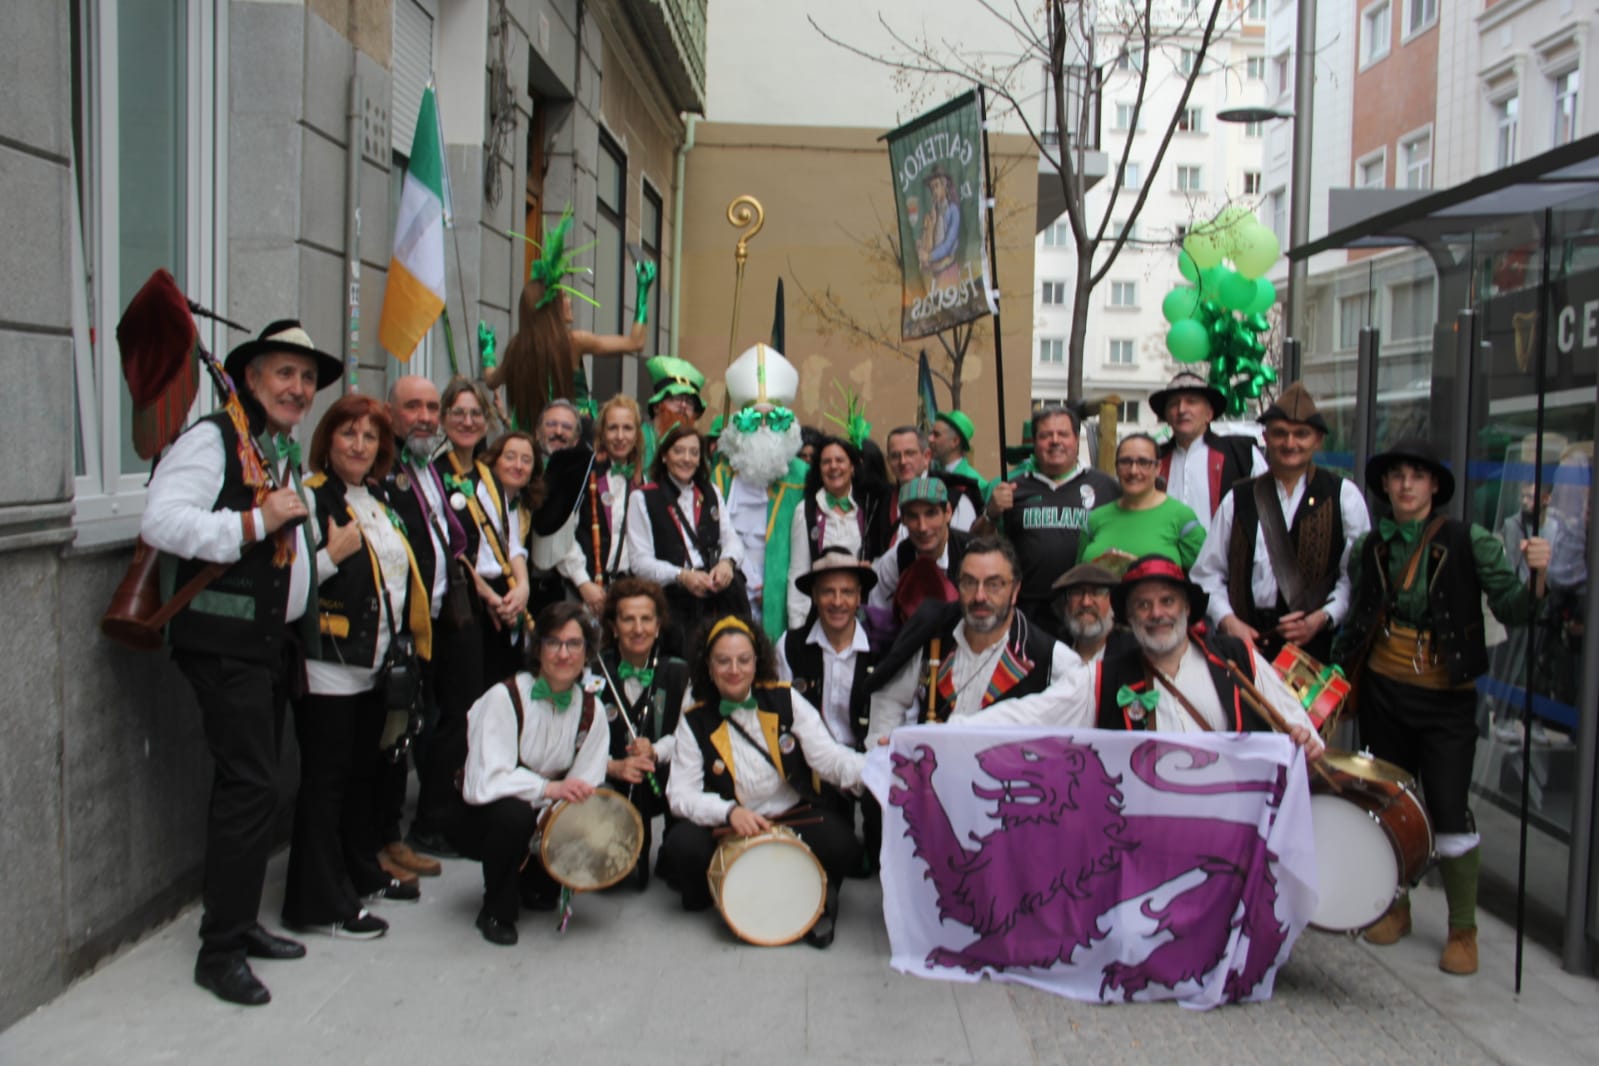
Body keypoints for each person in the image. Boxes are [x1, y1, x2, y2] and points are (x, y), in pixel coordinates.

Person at [140, 319, 341, 1005]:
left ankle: (239, 921)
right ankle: (219, 950)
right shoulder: (211, 439)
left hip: (266, 647)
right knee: (249, 788)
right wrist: (257, 521)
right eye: (285, 373)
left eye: (307, 377)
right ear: (250, 378)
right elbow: (162, 520)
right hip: (223, 647)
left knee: (255, 792)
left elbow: (281, 560)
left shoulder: (272, 451)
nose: (298, 387)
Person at [1332, 439, 1550, 976]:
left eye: (1418, 476)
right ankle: (1395, 906)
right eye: (1398, 476)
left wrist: (1538, 573)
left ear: (1434, 487)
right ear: (1385, 486)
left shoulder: (1469, 540)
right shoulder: (1370, 548)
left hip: (1446, 699)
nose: (1406, 485)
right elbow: (1359, 615)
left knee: (1450, 810)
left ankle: (1464, 929)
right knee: (1387, 802)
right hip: (1383, 691)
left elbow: (1518, 611)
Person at [285, 394, 433, 938]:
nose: (359, 445)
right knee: (326, 786)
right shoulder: (309, 495)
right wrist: (332, 554)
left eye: (369, 437)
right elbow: (292, 587)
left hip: (375, 666)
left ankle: (361, 873)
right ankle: (317, 901)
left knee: (362, 780)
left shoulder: (373, 497)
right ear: (328, 439)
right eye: (348, 434)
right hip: (330, 665)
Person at [977, 557, 1325, 762]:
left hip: (1236, 840)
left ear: (1187, 608)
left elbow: (1293, 722)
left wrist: (1307, 741)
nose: (1156, 613)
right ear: (1128, 617)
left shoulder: (1237, 659)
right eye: (1143, 605)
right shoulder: (1103, 678)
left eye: (1167, 602)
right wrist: (952, 731)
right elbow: (1031, 714)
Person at [659, 616, 867, 948]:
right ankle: (719, 891)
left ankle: (794, 889)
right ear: (708, 667)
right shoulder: (694, 718)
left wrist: (875, 769)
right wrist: (728, 813)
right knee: (683, 848)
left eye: (743, 660)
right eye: (723, 661)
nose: (734, 670)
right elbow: (681, 794)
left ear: (758, 662)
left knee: (844, 848)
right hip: (728, 823)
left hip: (787, 813)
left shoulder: (786, 700)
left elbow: (829, 758)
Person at [452, 601, 610, 946]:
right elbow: (487, 781)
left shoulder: (592, 709)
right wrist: (548, 789)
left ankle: (532, 878)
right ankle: (496, 909)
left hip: (543, 815)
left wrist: (564, 806)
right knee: (513, 815)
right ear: (537, 650)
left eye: (574, 644)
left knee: (587, 817)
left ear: (587, 653)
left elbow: (587, 782)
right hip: (482, 815)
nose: (563, 654)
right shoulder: (504, 697)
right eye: (553, 642)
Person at [1191, 383, 1370, 663]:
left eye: (1301, 434)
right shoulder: (1239, 497)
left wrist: (1324, 617)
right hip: (1245, 646)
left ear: (1318, 440)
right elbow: (1207, 574)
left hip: (1314, 650)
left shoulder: (1344, 496)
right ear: (1265, 437)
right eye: (1280, 433)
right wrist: (1229, 622)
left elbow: (1355, 576)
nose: (1290, 443)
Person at [383, 376, 476, 868]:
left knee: (446, 720)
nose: (424, 416)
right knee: (404, 728)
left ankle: (429, 821)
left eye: (429, 407)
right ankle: (396, 834)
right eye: (412, 406)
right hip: (403, 624)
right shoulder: (384, 468)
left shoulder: (427, 466)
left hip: (444, 614)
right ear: (390, 411)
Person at [866, 537, 1078, 741]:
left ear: (1015, 590)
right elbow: (889, 699)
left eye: (993, 584)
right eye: (969, 582)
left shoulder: (1052, 658)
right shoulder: (933, 635)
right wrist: (887, 754)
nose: (980, 596)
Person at [488, 206, 654, 428]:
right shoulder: (572, 342)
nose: (570, 301)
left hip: (530, 446)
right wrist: (642, 294)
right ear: (551, 309)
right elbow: (636, 343)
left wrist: (487, 352)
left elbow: (490, 380)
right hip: (569, 439)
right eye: (564, 297)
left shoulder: (516, 349)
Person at [777, 550, 883, 871]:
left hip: (866, 761)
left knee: (877, 856)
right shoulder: (789, 645)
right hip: (813, 762)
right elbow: (780, 715)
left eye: (847, 592)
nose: (838, 602)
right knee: (837, 853)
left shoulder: (882, 649)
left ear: (859, 597)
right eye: (828, 592)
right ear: (814, 595)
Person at [985, 405, 1120, 627]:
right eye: (1045, 435)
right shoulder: (1012, 488)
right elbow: (980, 542)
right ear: (1034, 443)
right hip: (1028, 610)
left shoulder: (1105, 487)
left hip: (1084, 608)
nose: (1055, 441)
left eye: (1063, 434)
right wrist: (990, 515)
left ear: (1076, 439)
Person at [595, 577, 690, 889]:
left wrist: (655, 750)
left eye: (646, 619)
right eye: (628, 619)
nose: (638, 629)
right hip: (609, 777)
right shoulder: (593, 673)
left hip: (659, 772)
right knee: (619, 880)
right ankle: (621, 843)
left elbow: (689, 738)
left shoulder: (678, 672)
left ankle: (671, 846)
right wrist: (612, 765)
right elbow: (575, 742)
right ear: (613, 626)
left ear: (658, 625)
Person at [712, 343, 809, 639]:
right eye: (755, 419)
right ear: (738, 425)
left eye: (774, 418)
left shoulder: (802, 476)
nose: (764, 426)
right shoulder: (720, 474)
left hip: (780, 598)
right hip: (729, 592)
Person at [627, 423, 748, 653]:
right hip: (672, 606)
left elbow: (730, 537)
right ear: (664, 456)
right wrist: (681, 576)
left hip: (715, 601)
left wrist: (727, 562)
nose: (687, 459)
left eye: (694, 452)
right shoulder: (643, 498)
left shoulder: (711, 491)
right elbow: (639, 563)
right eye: (679, 451)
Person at [786, 436, 892, 627]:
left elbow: (883, 563)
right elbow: (798, 571)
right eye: (826, 462)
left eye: (840, 460)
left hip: (861, 616)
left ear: (852, 467)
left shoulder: (868, 508)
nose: (833, 466)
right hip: (820, 616)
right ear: (819, 469)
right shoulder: (806, 511)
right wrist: (797, 627)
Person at [1077, 433, 1206, 571]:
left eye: (1143, 462)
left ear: (1158, 468)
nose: (1133, 471)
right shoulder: (1095, 519)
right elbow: (1079, 574)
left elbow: (1205, 576)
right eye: (1125, 462)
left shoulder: (1181, 517)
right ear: (1116, 467)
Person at [524, 399, 604, 615]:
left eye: (566, 427)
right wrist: (583, 582)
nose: (558, 432)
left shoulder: (578, 472)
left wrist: (582, 581)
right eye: (551, 425)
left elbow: (564, 535)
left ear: (576, 438)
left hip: (561, 586)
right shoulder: (522, 467)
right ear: (538, 431)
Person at [1151, 371, 1266, 519]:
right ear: (1166, 416)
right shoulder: (1153, 458)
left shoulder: (1241, 453)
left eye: (1191, 402)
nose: (1181, 410)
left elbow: (1268, 507)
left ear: (1209, 414)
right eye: (1174, 404)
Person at [474, 430, 539, 683]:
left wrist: (523, 588)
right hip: (480, 594)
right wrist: (497, 599)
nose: (518, 465)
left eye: (526, 460)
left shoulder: (520, 505)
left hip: (508, 594)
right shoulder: (480, 494)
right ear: (494, 460)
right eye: (510, 457)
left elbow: (513, 549)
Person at [869, 478, 972, 628]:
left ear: (948, 512)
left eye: (931, 514)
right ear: (903, 520)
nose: (922, 527)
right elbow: (877, 616)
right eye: (913, 516)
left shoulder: (972, 553)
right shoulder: (895, 560)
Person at [575, 394, 641, 590]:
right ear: (602, 433)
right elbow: (567, 539)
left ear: (637, 434)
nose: (620, 436)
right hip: (589, 587)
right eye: (613, 428)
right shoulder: (585, 475)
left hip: (630, 586)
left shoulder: (644, 481)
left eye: (627, 428)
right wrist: (583, 583)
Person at [883, 425, 977, 543]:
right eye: (895, 456)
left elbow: (964, 546)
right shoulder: (879, 501)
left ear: (927, 456)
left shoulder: (954, 497)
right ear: (888, 462)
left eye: (910, 453)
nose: (903, 461)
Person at [1049, 562, 1133, 662]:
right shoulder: (1052, 652)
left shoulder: (1132, 654)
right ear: (1066, 604)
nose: (1086, 602)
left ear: (1113, 603)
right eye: (1077, 592)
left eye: (1097, 592)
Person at [640, 355, 707, 470]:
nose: (684, 405)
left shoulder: (697, 449)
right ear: (657, 406)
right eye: (676, 398)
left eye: (690, 401)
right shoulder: (639, 438)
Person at [929, 409, 988, 497]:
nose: (930, 439)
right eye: (931, 434)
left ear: (955, 441)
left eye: (936, 435)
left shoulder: (977, 485)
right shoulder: (930, 475)